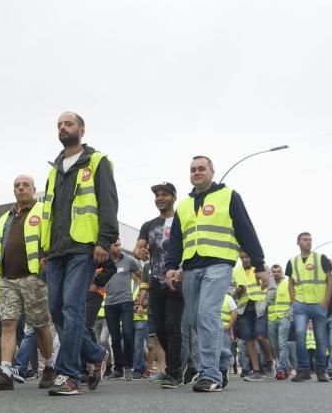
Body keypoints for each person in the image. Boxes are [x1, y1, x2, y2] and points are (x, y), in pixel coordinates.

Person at [163, 156, 269, 393]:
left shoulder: (229, 196)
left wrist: (259, 265)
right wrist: (171, 266)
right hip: (190, 268)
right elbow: (176, 240)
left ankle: (210, 375)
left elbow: (246, 230)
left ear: (212, 171)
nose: (197, 172)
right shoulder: (184, 205)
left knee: (207, 314)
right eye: (193, 169)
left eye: (202, 168)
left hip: (219, 265)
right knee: (195, 320)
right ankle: (222, 359)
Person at [41, 112, 118, 396]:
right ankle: (96, 355)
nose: (63, 127)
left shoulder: (97, 162)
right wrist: (43, 250)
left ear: (81, 130)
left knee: (73, 308)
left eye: (68, 124)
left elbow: (108, 203)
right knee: (56, 310)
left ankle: (69, 375)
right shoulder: (54, 169)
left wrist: (104, 241)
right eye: (59, 124)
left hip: (83, 246)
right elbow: (48, 211)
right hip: (56, 249)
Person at [0, 175, 56, 391]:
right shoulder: (5, 217)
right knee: (8, 323)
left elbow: (49, 239)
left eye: (25, 185)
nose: (20, 188)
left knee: (40, 325)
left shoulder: (42, 211)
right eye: (17, 186)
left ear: (33, 189)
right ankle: (5, 372)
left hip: (33, 277)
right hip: (8, 278)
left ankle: (50, 367)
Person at [136, 182, 184, 388]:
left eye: (164, 194)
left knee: (174, 326)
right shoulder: (148, 225)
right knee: (161, 329)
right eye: (157, 195)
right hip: (155, 281)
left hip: (177, 281)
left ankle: (174, 372)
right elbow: (139, 246)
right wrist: (140, 251)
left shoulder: (183, 221)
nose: (160, 198)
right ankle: (177, 366)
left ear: (174, 197)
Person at [286, 232, 332, 383]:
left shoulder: (321, 258)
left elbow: (330, 278)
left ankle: (321, 371)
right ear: (298, 242)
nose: (308, 242)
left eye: (310, 240)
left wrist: (326, 299)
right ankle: (303, 370)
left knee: (320, 338)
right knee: (300, 334)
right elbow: (290, 283)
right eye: (305, 240)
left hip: (319, 304)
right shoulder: (292, 261)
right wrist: (293, 300)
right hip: (300, 305)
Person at [101, 239, 142, 380]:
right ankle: (117, 369)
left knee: (128, 333)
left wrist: (142, 295)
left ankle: (128, 367)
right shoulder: (104, 261)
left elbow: (142, 277)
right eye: (115, 245)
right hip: (110, 304)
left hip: (126, 302)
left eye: (119, 244)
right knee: (115, 338)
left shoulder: (129, 260)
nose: (119, 247)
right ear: (109, 247)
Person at [233, 251, 272, 381]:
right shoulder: (236, 271)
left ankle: (269, 361)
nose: (244, 260)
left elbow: (271, 287)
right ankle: (256, 371)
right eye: (242, 257)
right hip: (244, 308)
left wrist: (266, 299)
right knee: (249, 339)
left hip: (259, 306)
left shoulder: (262, 268)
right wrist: (236, 291)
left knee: (261, 336)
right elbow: (229, 289)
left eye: (247, 257)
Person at [267, 264, 293, 380]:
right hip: (271, 317)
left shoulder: (287, 283)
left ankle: (281, 368)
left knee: (282, 344)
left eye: (278, 271)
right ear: (271, 273)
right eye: (274, 272)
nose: (276, 273)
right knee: (274, 346)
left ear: (281, 272)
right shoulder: (268, 284)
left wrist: (289, 314)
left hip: (284, 316)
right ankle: (287, 365)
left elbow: (294, 299)